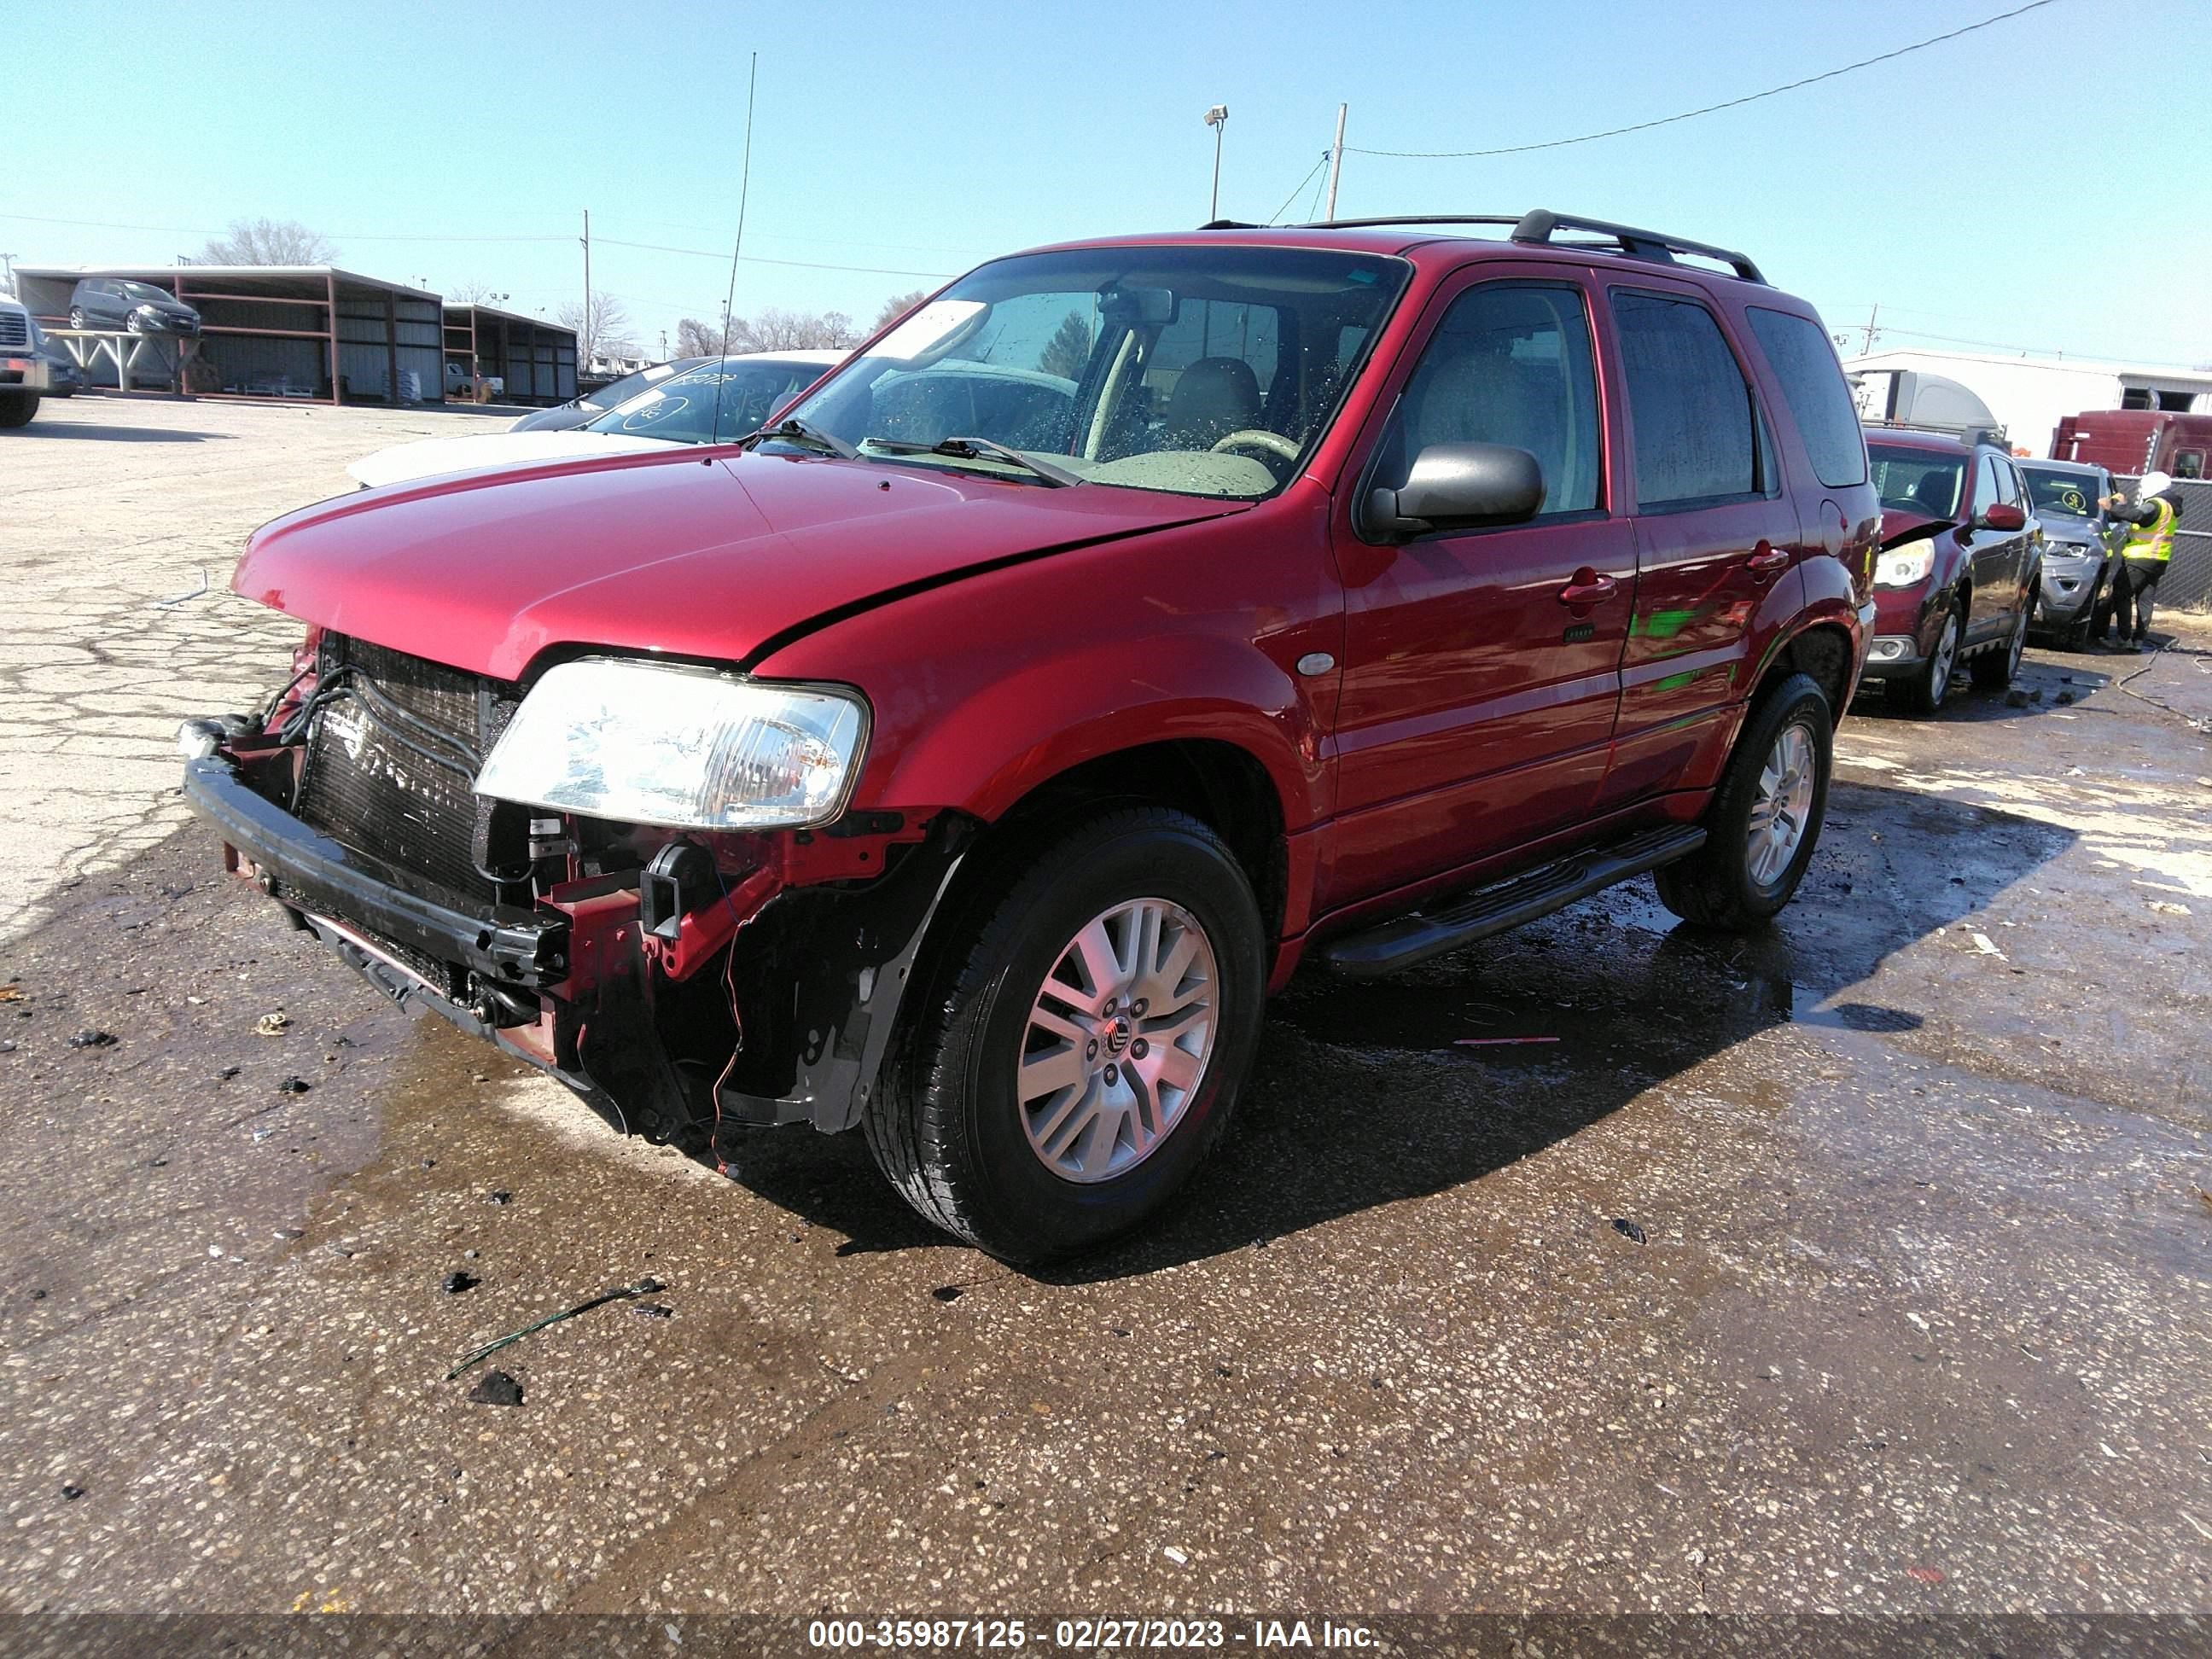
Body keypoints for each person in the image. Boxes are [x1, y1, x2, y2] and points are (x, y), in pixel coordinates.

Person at [2096, 470, 2184, 653]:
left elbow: (2137, 516)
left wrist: (2110, 507)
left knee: (2121, 594)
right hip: (2159, 559)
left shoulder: (2155, 504)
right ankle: (2138, 640)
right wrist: (2122, 505)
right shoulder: (2170, 506)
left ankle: (2123, 638)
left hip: (2140, 558)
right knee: (2145, 600)